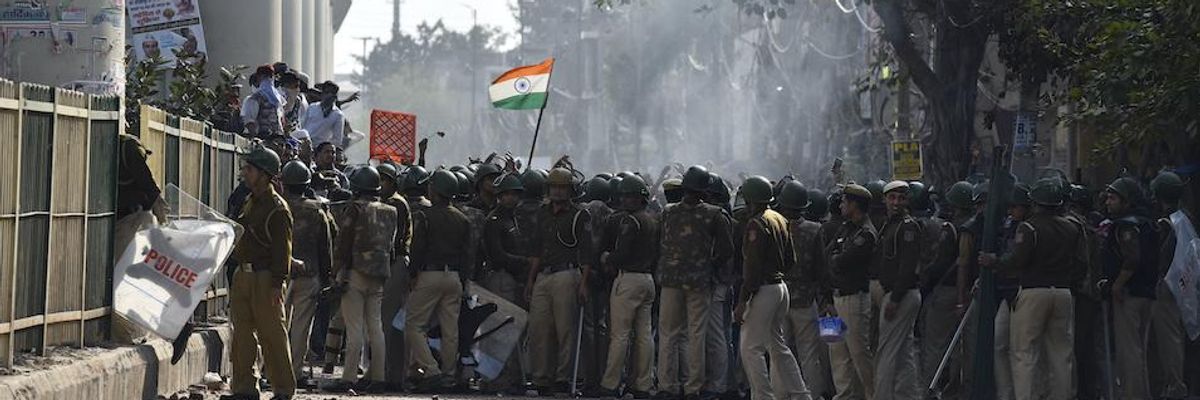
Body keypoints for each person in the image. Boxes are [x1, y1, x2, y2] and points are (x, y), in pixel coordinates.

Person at [979, 177, 1086, 400]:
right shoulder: (1073, 227)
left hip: (1033, 292)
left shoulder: (1029, 228)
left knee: (1024, 353)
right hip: (1063, 292)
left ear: (1035, 203)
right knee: (1061, 355)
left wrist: (994, 261)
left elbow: (1017, 260)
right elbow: (1082, 264)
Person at [655, 165, 734, 400]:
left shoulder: (668, 211)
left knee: (668, 333)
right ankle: (692, 387)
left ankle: (667, 386)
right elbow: (727, 249)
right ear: (704, 190)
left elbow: (661, 242)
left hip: (670, 280)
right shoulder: (714, 215)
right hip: (699, 282)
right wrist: (708, 264)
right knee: (696, 333)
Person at [223, 147, 295, 400]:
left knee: (272, 335)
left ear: (265, 175)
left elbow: (282, 252)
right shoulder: (247, 201)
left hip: (266, 279)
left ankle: (283, 390)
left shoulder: (278, 209)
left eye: (250, 169)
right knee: (242, 336)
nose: (244, 172)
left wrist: (278, 283)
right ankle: (244, 388)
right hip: (243, 275)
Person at [735, 176, 812, 400]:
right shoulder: (778, 218)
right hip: (780, 288)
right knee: (778, 348)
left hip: (763, 290)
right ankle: (801, 395)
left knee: (751, 349)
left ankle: (763, 396)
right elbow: (791, 260)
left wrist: (742, 300)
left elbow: (752, 267)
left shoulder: (756, 224)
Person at [322, 167, 396, 393]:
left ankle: (349, 378)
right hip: (380, 273)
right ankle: (379, 377)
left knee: (354, 328)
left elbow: (344, 243)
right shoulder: (391, 210)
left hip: (356, 271)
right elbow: (392, 244)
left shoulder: (354, 208)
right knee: (375, 326)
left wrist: (335, 271)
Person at [526, 167, 595, 396]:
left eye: (562, 187)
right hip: (543, 276)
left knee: (565, 329)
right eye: (554, 187)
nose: (557, 191)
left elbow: (586, 254)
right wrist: (531, 280)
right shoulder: (542, 213)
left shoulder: (579, 215)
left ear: (570, 190)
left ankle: (563, 378)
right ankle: (541, 378)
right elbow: (535, 249)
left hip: (567, 274)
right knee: (539, 328)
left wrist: (584, 283)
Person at [406, 169, 470, 392]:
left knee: (414, 325)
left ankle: (431, 370)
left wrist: (412, 274)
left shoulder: (425, 215)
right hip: (454, 277)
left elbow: (417, 248)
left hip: (429, 275)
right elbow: (467, 254)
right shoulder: (463, 219)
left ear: (436, 191)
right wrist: (463, 279)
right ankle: (449, 375)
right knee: (450, 329)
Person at [596, 175, 660, 399]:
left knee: (620, 335)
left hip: (629, 280)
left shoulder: (629, 221)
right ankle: (642, 385)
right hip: (648, 280)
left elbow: (621, 254)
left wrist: (606, 257)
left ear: (638, 199)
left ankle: (610, 384)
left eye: (629, 197)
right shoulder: (653, 220)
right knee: (644, 335)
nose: (625, 200)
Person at [1100, 177, 1159, 400]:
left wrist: (1117, 284)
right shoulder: (1149, 223)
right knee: (1139, 349)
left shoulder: (1127, 225)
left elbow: (1132, 259)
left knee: (1129, 350)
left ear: (1127, 201)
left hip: (1129, 294)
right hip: (1147, 293)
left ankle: (1133, 395)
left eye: (1113, 198)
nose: (1108, 202)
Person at [774, 180, 833, 398]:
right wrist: (826, 298)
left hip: (778, 298)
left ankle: (780, 395)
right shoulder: (814, 229)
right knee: (809, 353)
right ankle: (812, 394)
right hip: (805, 300)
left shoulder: (771, 226)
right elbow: (821, 268)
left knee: (780, 351)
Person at [279, 161, 335, 389]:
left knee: (278, 324)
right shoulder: (317, 210)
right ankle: (293, 371)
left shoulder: (278, 205)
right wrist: (326, 275)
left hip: (280, 273)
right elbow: (326, 246)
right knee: (302, 327)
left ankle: (271, 368)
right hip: (309, 274)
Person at [823, 183, 876, 400]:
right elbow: (826, 257)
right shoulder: (845, 227)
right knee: (836, 353)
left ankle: (873, 394)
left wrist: (835, 258)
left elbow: (841, 262)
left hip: (853, 300)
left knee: (859, 353)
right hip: (833, 300)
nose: (841, 205)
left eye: (845, 201)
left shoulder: (866, 234)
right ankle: (844, 396)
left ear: (855, 205)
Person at [482, 172, 533, 395]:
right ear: (500, 196)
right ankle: (497, 378)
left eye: (515, 194)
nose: (512, 198)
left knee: (513, 330)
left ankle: (513, 378)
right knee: (500, 330)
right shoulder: (494, 220)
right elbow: (497, 255)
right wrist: (524, 262)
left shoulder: (514, 219)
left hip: (513, 278)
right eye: (508, 194)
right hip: (500, 277)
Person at [874, 181, 922, 399]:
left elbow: (907, 266)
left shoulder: (907, 226)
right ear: (885, 199)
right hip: (898, 293)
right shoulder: (891, 225)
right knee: (903, 353)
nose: (896, 202)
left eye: (901, 198)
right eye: (892, 198)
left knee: (886, 352)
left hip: (900, 294)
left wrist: (895, 298)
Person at [1147, 171, 1190, 399]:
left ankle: (1174, 385)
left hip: (1165, 285)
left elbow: (1159, 257)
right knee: (1170, 336)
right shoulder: (1183, 219)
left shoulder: (1166, 223)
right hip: (1178, 285)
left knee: (1168, 338)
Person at [376, 163, 413, 390]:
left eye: (384, 180)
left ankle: (392, 377)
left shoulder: (395, 203)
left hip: (396, 262)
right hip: (392, 264)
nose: (380, 184)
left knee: (390, 323)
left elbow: (394, 240)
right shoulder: (391, 202)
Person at [241, 65, 286, 139]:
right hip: (263, 137)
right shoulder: (256, 98)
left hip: (277, 139)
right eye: (266, 76)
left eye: (270, 76)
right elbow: (250, 123)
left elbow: (281, 121)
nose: (269, 79)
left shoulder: (278, 98)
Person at [304, 81, 346, 148]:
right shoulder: (312, 107)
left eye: (332, 93)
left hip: (320, 150)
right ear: (322, 93)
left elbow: (337, 140)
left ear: (335, 96)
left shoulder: (338, 115)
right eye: (327, 92)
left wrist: (322, 147)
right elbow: (302, 125)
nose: (329, 95)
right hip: (305, 145)